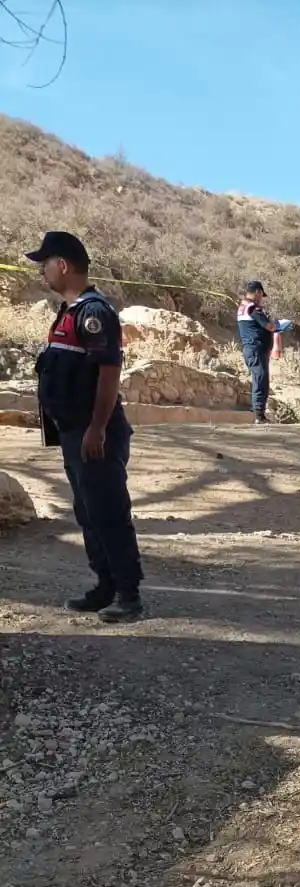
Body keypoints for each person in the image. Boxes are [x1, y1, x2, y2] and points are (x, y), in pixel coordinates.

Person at [27, 231, 145, 622]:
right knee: (88, 513)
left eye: (45, 263)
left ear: (62, 265)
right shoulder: (69, 311)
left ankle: (128, 595)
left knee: (109, 512)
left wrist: (97, 428)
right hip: (73, 431)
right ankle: (105, 586)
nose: (42, 270)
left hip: (96, 432)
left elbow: (109, 374)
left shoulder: (93, 313)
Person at [236, 280, 291, 423]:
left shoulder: (243, 306)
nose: (261, 299)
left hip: (252, 349)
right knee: (261, 380)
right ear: (257, 292)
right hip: (256, 349)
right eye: (261, 295)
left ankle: (258, 412)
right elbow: (269, 326)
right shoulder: (253, 308)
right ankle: (259, 415)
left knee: (258, 379)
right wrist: (280, 325)